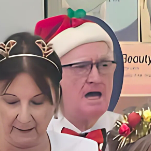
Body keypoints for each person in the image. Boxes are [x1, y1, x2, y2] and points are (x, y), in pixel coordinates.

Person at [38, 13, 122, 143]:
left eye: (104, 65)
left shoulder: (135, 137)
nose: (96, 78)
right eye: (81, 67)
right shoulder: (33, 142)